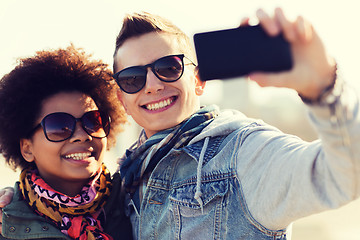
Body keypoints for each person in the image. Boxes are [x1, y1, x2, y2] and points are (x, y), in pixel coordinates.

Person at [1, 7, 360, 239]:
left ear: (198, 80)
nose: (153, 84)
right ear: (123, 98)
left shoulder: (241, 152)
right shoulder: (126, 182)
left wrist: (324, 88)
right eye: (132, 78)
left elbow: (343, 175)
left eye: (169, 67)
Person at [0, 45, 132, 239]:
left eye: (93, 121)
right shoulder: (6, 225)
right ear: (27, 148)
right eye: (60, 125)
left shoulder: (137, 201)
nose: (82, 135)